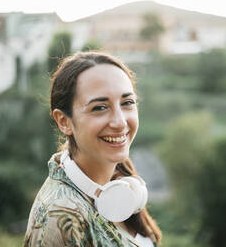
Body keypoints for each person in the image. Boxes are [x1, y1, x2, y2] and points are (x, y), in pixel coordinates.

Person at [23, 51, 162, 247]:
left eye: (127, 103)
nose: (120, 122)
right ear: (64, 121)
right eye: (100, 107)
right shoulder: (60, 218)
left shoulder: (119, 178)